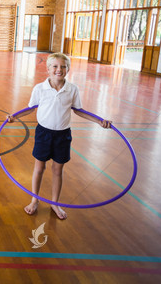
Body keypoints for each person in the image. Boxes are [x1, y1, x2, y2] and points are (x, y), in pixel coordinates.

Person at [7, 53, 111, 220]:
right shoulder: (40, 89)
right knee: (39, 168)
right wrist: (14, 117)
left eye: (63, 66)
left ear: (68, 69)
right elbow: (30, 108)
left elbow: (79, 110)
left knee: (57, 170)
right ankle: (35, 200)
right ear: (48, 69)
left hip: (63, 135)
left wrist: (99, 121)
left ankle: (55, 202)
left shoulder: (72, 89)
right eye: (55, 66)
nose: (59, 70)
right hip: (43, 133)